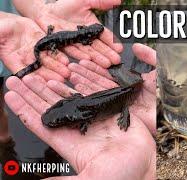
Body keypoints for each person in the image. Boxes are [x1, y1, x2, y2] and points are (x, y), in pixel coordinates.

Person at [0, 0, 156, 179]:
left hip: (123, 99)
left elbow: (85, 118)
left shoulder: (83, 114)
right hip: (107, 98)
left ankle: (5, 139)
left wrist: (39, 8)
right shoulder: (79, 110)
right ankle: (4, 139)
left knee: (125, 100)